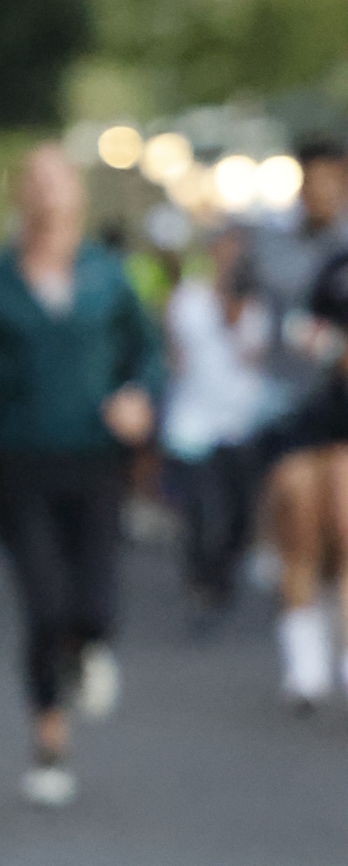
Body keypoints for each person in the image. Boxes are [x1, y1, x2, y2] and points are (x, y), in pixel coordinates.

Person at [0, 143, 158, 807]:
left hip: (94, 454)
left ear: (77, 192)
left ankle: (86, 645)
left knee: (93, 598)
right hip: (18, 456)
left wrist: (139, 396)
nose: (46, 192)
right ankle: (49, 732)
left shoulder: (107, 276)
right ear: (19, 194)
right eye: (34, 180)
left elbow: (146, 353)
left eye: (57, 179)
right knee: (43, 599)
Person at [255, 137, 348, 705]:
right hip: (294, 403)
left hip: (339, 410)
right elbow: (286, 325)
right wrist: (333, 349)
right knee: (299, 516)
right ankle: (303, 653)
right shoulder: (274, 245)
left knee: (342, 515)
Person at [160, 223, 275, 625]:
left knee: (240, 513)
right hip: (193, 423)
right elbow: (173, 354)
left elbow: (258, 356)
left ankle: (222, 573)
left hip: (241, 423)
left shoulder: (256, 304)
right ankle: (202, 575)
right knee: (204, 508)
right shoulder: (187, 299)